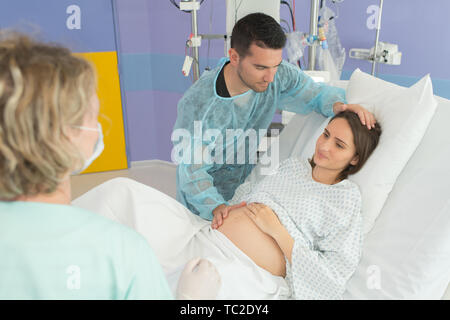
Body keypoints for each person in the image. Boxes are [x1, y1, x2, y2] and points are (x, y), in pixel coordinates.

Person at [0, 32, 220, 300]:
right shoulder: (119, 252)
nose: (100, 128)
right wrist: (192, 300)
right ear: (66, 135)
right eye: (93, 116)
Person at [172, 12, 377, 226]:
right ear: (234, 57)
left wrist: (340, 106)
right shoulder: (199, 104)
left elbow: (314, 93)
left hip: (243, 194)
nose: (270, 77)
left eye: (275, 65)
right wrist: (217, 208)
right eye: (260, 67)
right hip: (202, 208)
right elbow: (192, 170)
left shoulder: (277, 76)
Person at [216, 111, 382, 299]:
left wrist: (278, 231)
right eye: (326, 134)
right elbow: (252, 190)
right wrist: (228, 208)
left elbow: (333, 278)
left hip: (249, 273)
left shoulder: (345, 199)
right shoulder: (294, 166)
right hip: (215, 240)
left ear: (354, 158)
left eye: (339, 145)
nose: (325, 146)